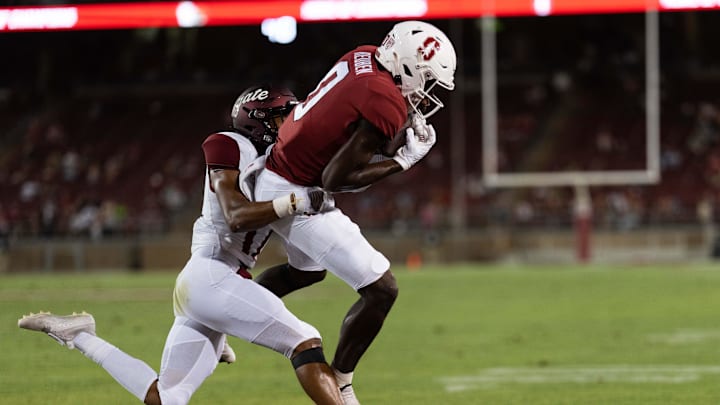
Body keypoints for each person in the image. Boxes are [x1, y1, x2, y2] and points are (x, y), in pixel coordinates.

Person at [18, 84, 343, 405]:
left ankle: (80, 336)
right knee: (304, 340)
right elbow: (236, 216)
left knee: (168, 398)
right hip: (212, 276)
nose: (292, 124)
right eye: (283, 117)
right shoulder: (232, 145)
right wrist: (295, 201)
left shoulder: (281, 165)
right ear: (258, 121)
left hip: (215, 282)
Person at [252, 20, 457, 404]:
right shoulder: (386, 101)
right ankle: (342, 382)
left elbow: (346, 129)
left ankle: (220, 309)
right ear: (408, 65)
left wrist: (394, 136)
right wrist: (403, 161)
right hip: (298, 191)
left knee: (305, 272)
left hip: (281, 171)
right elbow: (336, 178)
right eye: (426, 81)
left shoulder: (363, 55)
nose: (426, 95)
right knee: (382, 289)